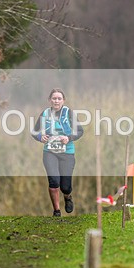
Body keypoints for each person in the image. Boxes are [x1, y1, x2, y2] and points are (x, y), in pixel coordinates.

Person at [32, 88, 84, 217]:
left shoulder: (69, 113)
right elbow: (34, 131)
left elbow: (80, 131)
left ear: (63, 100)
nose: (56, 101)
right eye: (54, 98)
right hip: (49, 152)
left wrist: (68, 138)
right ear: (50, 100)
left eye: (59, 98)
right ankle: (56, 211)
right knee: (54, 182)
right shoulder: (44, 114)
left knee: (65, 186)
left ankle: (67, 196)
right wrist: (40, 137)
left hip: (67, 153)